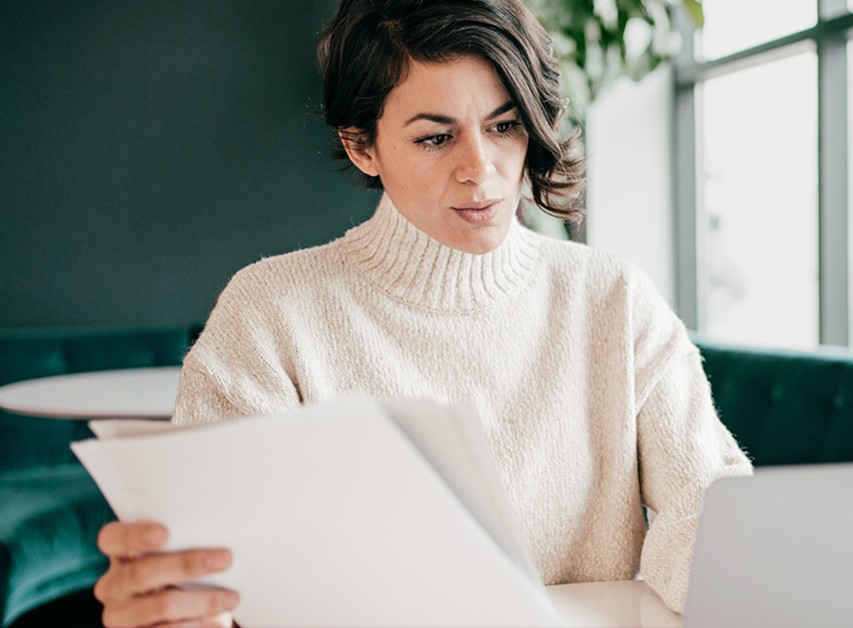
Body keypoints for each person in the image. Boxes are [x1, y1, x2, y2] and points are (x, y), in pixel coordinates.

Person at [94, 1, 753, 626]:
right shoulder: (269, 315)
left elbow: (712, 515)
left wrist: (730, 570)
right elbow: (214, 586)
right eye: (436, 138)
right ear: (362, 146)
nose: (481, 169)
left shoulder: (613, 300)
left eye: (504, 125)